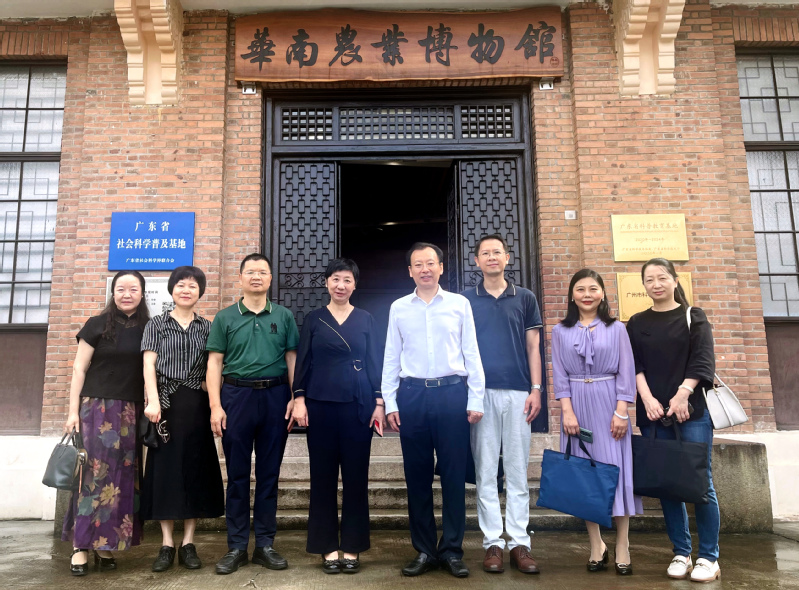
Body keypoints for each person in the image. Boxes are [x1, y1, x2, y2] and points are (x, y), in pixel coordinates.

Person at [382, 242, 485, 579]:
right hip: (412, 396)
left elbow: (471, 352)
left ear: (441, 267)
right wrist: (391, 401)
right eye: (418, 264)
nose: (425, 269)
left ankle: (452, 550)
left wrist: (476, 398)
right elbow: (391, 356)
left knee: (454, 476)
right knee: (417, 476)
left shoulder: (459, 304)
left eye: (430, 263)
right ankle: (425, 550)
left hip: (452, 394)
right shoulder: (399, 307)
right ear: (409, 271)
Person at [206, 253, 299, 575]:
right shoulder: (225, 318)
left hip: (275, 397)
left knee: (269, 473)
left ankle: (264, 545)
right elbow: (214, 362)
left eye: (262, 272)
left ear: (271, 278)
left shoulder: (284, 316)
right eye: (250, 272)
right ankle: (236, 546)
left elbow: (291, 358)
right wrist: (215, 405)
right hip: (236, 397)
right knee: (237, 475)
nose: (256, 276)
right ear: (241, 278)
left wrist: (295, 397)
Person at [290, 258, 385, 574]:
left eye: (347, 280)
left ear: (355, 285)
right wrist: (299, 398)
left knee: (356, 477)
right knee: (322, 477)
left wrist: (379, 402)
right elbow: (303, 361)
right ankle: (327, 546)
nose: (340, 285)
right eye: (335, 279)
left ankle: (353, 546)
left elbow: (375, 362)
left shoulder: (367, 319)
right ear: (326, 283)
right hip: (320, 405)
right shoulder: (314, 319)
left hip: (358, 406)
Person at [626, 258, 718, 583]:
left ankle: (709, 557)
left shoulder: (694, 317)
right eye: (649, 279)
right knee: (667, 485)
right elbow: (633, 365)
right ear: (644, 285)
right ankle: (681, 552)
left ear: (675, 280)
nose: (656, 284)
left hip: (691, 412)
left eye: (662, 277)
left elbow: (703, 360)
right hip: (654, 415)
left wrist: (682, 394)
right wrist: (647, 399)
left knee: (700, 483)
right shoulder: (636, 322)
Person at [551, 269, 642, 574]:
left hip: (609, 404)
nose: (587, 294)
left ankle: (622, 544)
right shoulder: (560, 331)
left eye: (593, 288)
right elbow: (559, 373)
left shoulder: (616, 329)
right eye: (580, 289)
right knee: (586, 476)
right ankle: (596, 544)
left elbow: (626, 370)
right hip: (576, 405)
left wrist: (622, 411)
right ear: (571, 295)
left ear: (602, 293)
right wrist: (567, 411)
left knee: (616, 472)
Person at [462, 234, 543, 575]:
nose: (492, 257)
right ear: (477, 261)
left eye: (497, 252)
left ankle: (520, 543)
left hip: (518, 393)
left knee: (517, 470)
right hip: (480, 394)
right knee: (485, 471)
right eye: (485, 253)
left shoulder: (524, 297)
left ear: (507, 258)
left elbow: (533, 347)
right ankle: (492, 543)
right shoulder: (466, 300)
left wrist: (536, 388)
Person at [62, 270, 150, 576]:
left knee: (121, 481)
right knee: (92, 476)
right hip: (96, 410)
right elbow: (79, 368)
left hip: (130, 412)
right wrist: (72, 412)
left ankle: (104, 544)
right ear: (113, 293)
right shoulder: (97, 324)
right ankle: (80, 546)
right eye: (121, 289)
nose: (127, 294)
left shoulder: (148, 328)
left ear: (142, 293)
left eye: (133, 289)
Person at [140, 266, 224, 572]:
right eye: (181, 285)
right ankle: (166, 543)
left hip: (197, 405)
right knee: (165, 471)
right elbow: (149, 364)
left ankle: (188, 542)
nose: (186, 290)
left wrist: (213, 396)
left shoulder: (208, 327)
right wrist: (152, 400)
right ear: (172, 289)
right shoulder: (156, 324)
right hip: (165, 405)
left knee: (195, 469)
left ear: (200, 292)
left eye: (192, 286)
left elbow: (215, 364)